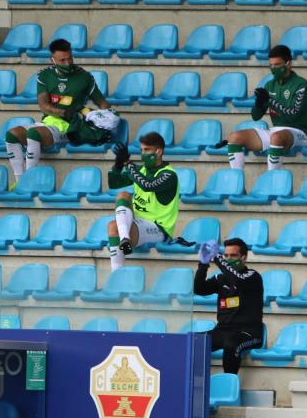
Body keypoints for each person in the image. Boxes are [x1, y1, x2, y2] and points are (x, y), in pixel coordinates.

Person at [4, 38, 112, 188]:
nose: (68, 63)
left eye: (70, 59)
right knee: (12, 134)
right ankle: (19, 181)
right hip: (49, 122)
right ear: (52, 59)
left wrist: (109, 116)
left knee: (33, 134)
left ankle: (29, 183)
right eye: (62, 60)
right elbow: (43, 106)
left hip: (71, 126)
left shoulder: (84, 77)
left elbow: (101, 102)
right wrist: (63, 112)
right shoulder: (45, 75)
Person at [219, 45, 307, 173]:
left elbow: (293, 115)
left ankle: (272, 182)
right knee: (234, 137)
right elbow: (256, 116)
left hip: (300, 133)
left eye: (277, 64)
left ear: (289, 63)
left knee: (276, 137)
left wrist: (270, 101)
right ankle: (238, 184)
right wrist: (259, 103)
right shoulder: (270, 85)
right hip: (276, 131)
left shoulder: (302, 85)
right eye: (271, 65)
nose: (274, 68)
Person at [106, 133, 180, 270]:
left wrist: (128, 164)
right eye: (141, 150)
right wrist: (117, 165)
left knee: (113, 227)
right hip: (136, 222)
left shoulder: (169, 175)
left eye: (147, 150)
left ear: (159, 151)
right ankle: (124, 240)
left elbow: (147, 185)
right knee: (123, 195)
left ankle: (116, 275)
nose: (143, 154)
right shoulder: (141, 170)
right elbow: (113, 183)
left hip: (158, 228)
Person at [194, 238, 264, 375]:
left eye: (233, 255)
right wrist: (203, 264)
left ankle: (228, 386)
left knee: (231, 344)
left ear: (244, 257)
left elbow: (237, 280)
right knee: (194, 342)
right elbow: (199, 289)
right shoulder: (220, 278)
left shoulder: (252, 276)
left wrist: (218, 258)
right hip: (222, 330)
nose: (228, 259)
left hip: (249, 333)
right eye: (226, 255)